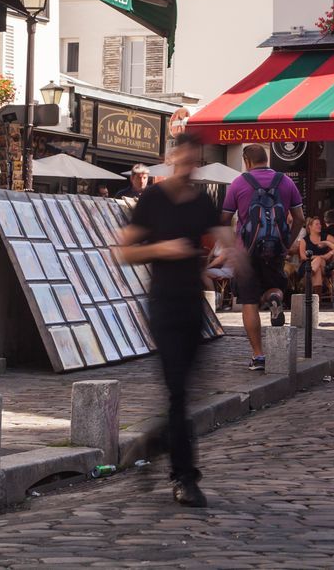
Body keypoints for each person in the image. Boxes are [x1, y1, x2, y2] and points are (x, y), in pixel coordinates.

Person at [114, 133, 237, 508]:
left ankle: (153, 442)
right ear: (171, 159)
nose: (187, 166)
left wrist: (237, 255)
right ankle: (185, 478)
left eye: (193, 160)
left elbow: (221, 234)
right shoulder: (153, 199)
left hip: (193, 306)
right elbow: (122, 251)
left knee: (188, 393)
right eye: (181, 159)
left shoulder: (201, 199)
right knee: (179, 393)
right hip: (163, 304)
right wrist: (162, 249)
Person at [221, 144, 304, 371]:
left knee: (249, 301)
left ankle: (258, 355)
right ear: (267, 159)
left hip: (246, 252)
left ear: (247, 161)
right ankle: (275, 298)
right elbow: (299, 218)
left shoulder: (239, 183)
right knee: (273, 286)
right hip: (275, 250)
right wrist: (287, 243)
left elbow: (224, 218)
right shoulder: (286, 182)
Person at [293, 214, 332, 297]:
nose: (320, 226)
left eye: (320, 224)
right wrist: (318, 257)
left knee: (319, 261)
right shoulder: (304, 240)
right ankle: (318, 301)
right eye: (317, 224)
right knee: (317, 270)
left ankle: (307, 277)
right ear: (310, 226)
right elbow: (303, 257)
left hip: (324, 265)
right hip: (307, 264)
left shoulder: (325, 236)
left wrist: (329, 252)